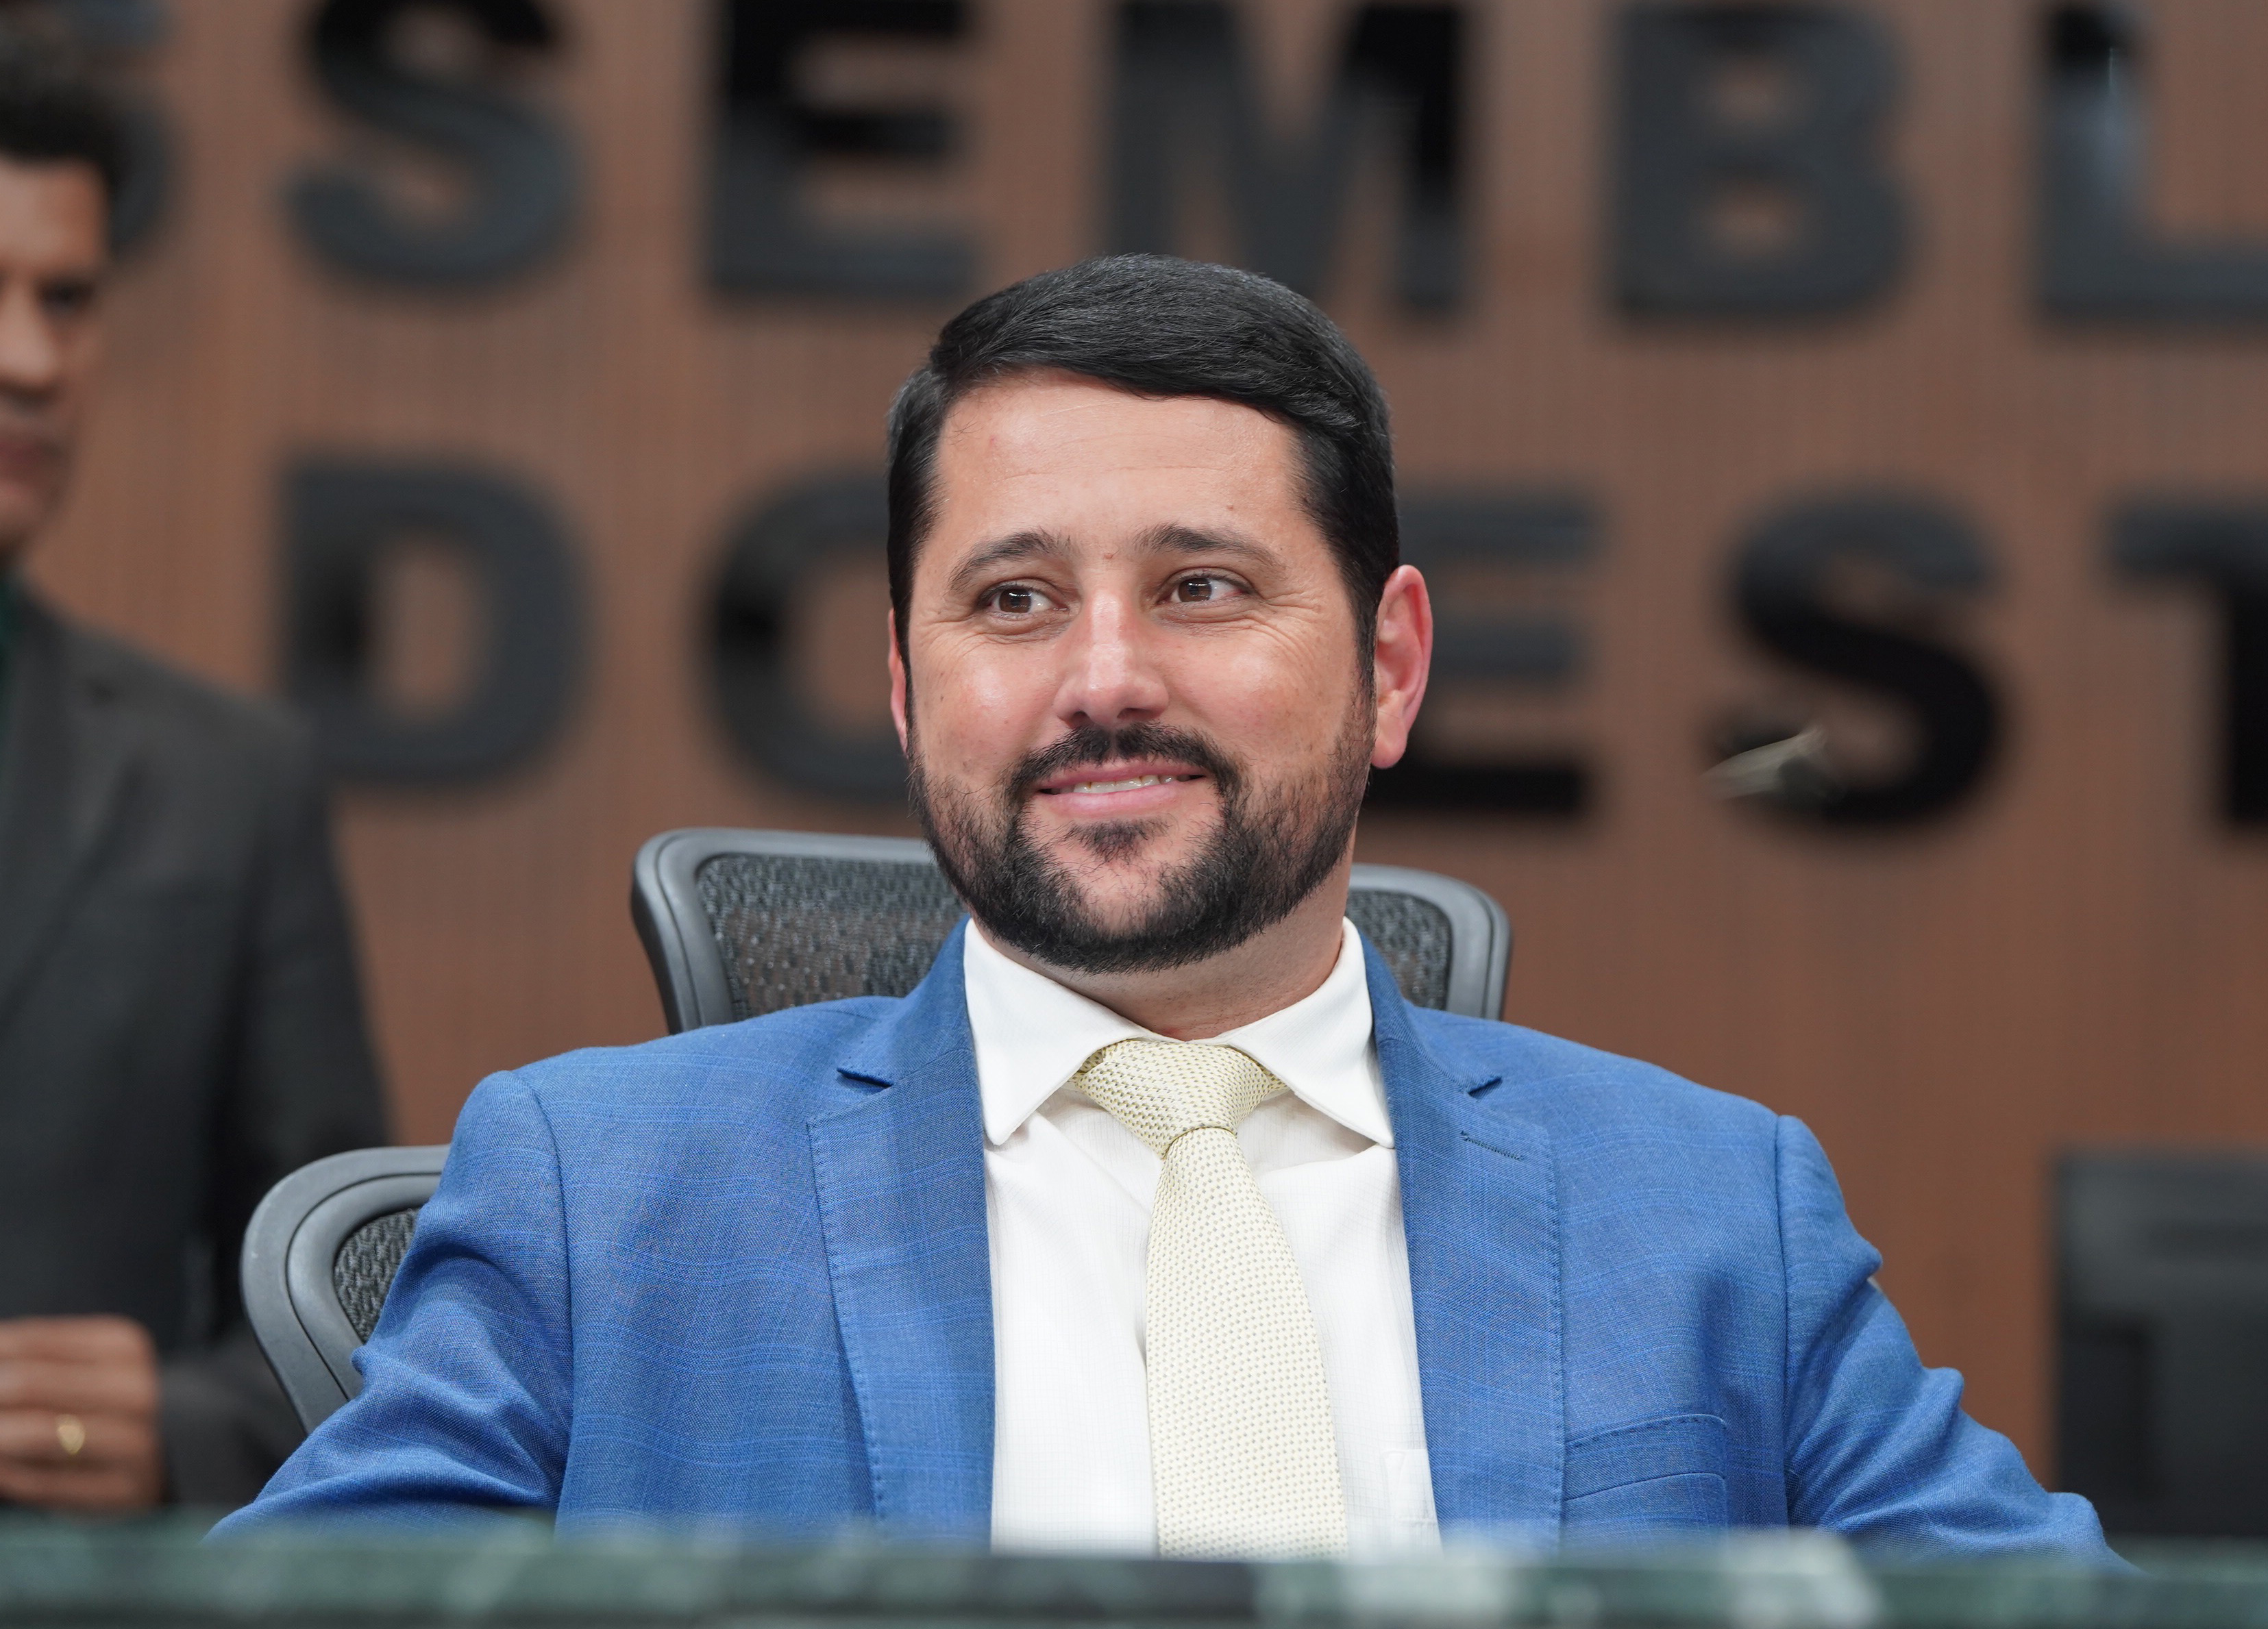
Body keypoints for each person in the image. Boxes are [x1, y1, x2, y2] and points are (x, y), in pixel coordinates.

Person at [221, 254, 2112, 1560]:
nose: (1103, 680)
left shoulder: (1711, 1214)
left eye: (1201, 587)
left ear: (1389, 666)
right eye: (1014, 601)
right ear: (906, 687)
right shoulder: (603, 1195)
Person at [0, 20, 386, 1512]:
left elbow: (360, 1307)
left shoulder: (226, 784)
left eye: (69, 299)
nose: (33, 360)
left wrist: (172, 1426)